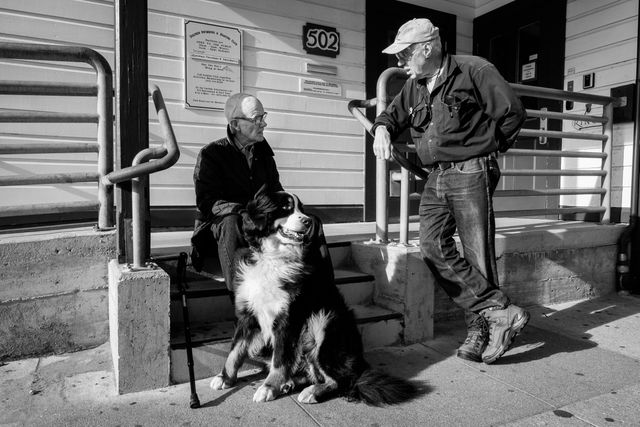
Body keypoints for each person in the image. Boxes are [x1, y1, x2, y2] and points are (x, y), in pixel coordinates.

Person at [371, 18, 529, 364]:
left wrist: (486, 149)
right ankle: (498, 311)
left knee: (477, 255)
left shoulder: (474, 70)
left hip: (472, 170)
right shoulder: (415, 86)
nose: (400, 63)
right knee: (430, 246)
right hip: (436, 176)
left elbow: (513, 113)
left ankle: (481, 331)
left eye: (405, 54)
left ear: (427, 48)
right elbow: (392, 116)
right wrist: (382, 129)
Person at [191, 93, 332, 296]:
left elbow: (276, 193)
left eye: (263, 116)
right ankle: (241, 300)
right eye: (257, 119)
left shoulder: (264, 155)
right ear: (235, 125)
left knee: (312, 222)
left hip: (260, 225)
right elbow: (208, 202)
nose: (264, 123)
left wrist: (294, 210)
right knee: (231, 221)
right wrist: (245, 212)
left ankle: (323, 293)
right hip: (222, 230)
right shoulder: (212, 154)